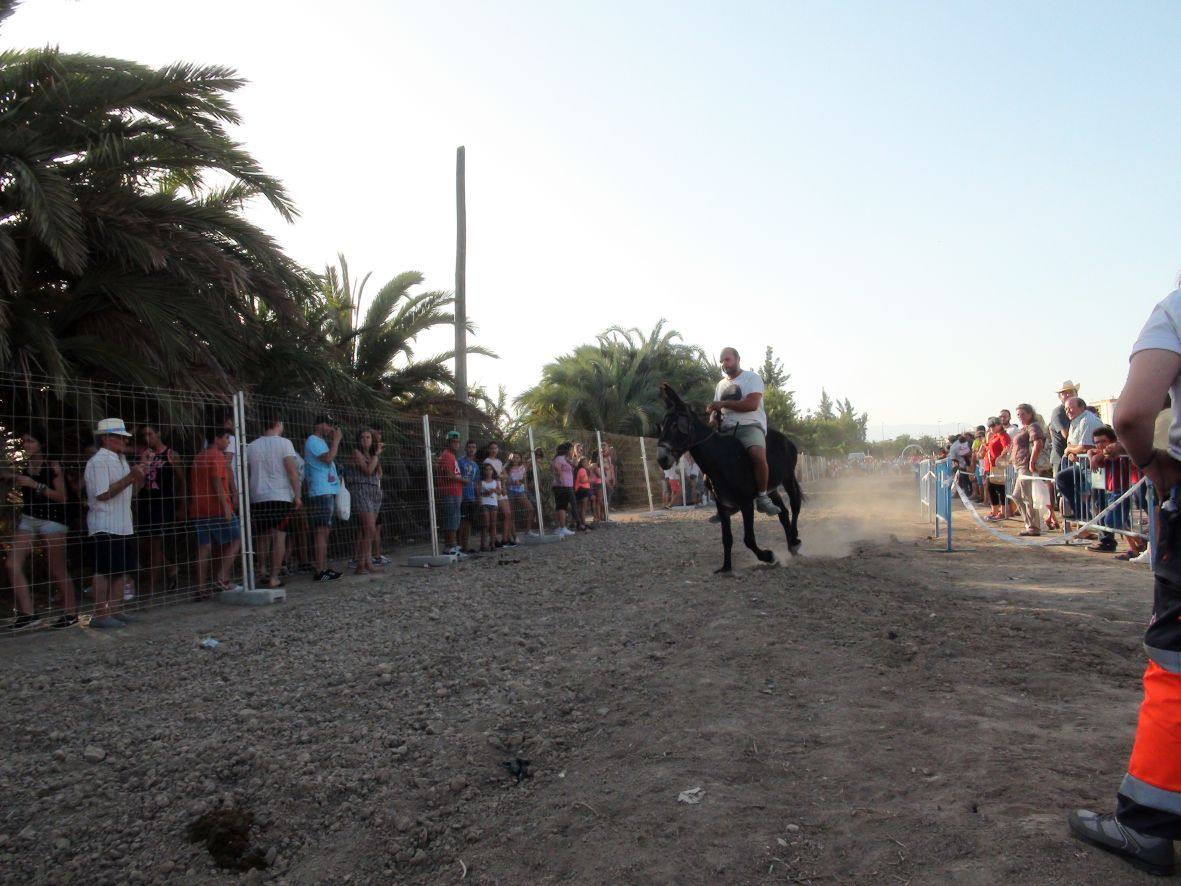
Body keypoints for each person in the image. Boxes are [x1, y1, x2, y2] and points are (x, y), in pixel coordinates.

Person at [1068, 288, 1181, 875]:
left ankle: (1146, 824)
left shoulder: (1176, 307)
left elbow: (1133, 414)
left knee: (1176, 663)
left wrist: (1151, 461)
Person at [3, 430, 77, 629]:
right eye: (24, 441)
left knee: (57, 568)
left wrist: (35, 485)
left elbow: (62, 497)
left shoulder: (52, 465)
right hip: (29, 518)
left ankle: (70, 613)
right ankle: (28, 614)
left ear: (41, 444)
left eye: (30, 441)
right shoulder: (25, 465)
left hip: (52, 519)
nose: (26, 445)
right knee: (12, 564)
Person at [84, 418, 148, 628]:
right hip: (105, 523)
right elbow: (102, 494)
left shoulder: (120, 460)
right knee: (104, 570)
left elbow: (131, 492)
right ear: (105, 439)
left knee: (121, 570)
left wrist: (139, 475)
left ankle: (114, 610)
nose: (122, 441)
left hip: (123, 524)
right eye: (117, 437)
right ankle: (101, 614)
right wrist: (131, 478)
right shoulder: (98, 462)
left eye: (123, 437)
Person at [707, 347, 779, 515]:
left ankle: (762, 497)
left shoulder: (752, 378)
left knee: (756, 455)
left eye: (727, 359)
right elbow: (716, 410)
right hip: (726, 429)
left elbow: (751, 404)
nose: (724, 364)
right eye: (722, 361)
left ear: (738, 359)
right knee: (708, 461)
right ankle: (724, 502)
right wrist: (712, 420)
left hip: (749, 426)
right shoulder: (720, 385)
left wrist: (723, 405)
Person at [246, 413, 301, 589]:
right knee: (279, 537)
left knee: (262, 535)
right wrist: (297, 495)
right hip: (280, 495)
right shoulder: (285, 443)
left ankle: (261, 570)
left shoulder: (251, 446)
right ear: (278, 424)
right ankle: (274, 576)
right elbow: (292, 472)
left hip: (258, 496)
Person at [189, 428, 242, 596]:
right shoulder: (218, 456)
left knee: (204, 547)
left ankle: (201, 587)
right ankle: (222, 577)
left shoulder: (198, 457)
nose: (228, 442)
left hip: (199, 508)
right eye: (226, 438)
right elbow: (216, 481)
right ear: (217, 439)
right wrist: (226, 507)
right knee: (236, 540)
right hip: (217, 508)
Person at [135, 424, 185, 597]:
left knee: (155, 544)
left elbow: (181, 481)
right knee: (144, 543)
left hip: (162, 503)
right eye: (144, 435)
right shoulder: (145, 454)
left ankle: (150, 588)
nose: (147, 437)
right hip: (144, 502)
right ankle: (171, 568)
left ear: (158, 433)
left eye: (150, 434)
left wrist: (181, 507)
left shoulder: (170, 454)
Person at [1089, 425, 1148, 561]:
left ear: (1112, 440)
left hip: (1123, 490)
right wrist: (1091, 454)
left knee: (1112, 521)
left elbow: (1107, 454)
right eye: (1097, 442)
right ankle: (1136, 546)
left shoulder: (1119, 450)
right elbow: (1095, 454)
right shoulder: (1104, 453)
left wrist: (1095, 456)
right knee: (1121, 522)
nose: (1100, 445)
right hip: (1111, 491)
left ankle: (1140, 543)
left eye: (1103, 441)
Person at [1054, 396, 1104, 536]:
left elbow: (1085, 446)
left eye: (1071, 407)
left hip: (1095, 466)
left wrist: (1070, 450)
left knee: (1100, 502)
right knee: (1062, 478)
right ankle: (1082, 515)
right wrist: (1071, 452)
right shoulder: (1075, 422)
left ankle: (1107, 538)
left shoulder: (1087, 420)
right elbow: (1072, 445)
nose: (1068, 411)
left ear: (1081, 407)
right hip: (1082, 465)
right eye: (1066, 408)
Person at [304, 415, 343, 582]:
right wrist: (336, 441)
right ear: (321, 425)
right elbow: (328, 458)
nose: (330, 429)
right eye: (329, 425)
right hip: (321, 491)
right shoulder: (313, 441)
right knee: (321, 531)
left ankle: (323, 567)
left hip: (327, 490)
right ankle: (320, 570)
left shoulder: (320, 442)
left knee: (325, 531)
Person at [347, 428, 384, 575]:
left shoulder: (372, 455)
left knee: (367, 530)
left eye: (368, 437)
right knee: (369, 528)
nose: (365, 440)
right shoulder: (357, 453)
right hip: (361, 490)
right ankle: (361, 563)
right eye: (362, 437)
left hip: (374, 491)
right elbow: (367, 470)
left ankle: (366, 562)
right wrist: (376, 456)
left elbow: (379, 472)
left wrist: (375, 457)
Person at [1010, 404, 1049, 537]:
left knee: (1027, 496)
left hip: (1026, 466)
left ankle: (1034, 526)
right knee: (1016, 496)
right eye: (1018, 415)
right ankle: (1030, 523)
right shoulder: (1025, 428)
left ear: (1030, 414)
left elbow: (1038, 443)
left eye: (1022, 414)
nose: (1020, 417)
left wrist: (1032, 462)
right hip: (1020, 465)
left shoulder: (1033, 426)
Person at [436, 431, 464, 557]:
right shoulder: (447, 455)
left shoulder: (451, 456)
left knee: (454, 518)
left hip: (455, 491)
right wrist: (464, 480)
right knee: (451, 519)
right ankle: (450, 546)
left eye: (457, 441)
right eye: (454, 441)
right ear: (448, 443)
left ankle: (451, 545)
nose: (456, 443)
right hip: (450, 491)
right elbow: (449, 475)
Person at [981, 418, 1011, 521]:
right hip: (991, 466)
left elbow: (1007, 448)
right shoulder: (995, 436)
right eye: (990, 427)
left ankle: (1002, 512)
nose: (991, 428)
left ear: (999, 425)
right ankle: (995, 510)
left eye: (993, 426)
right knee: (991, 488)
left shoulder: (1003, 436)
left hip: (999, 467)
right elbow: (988, 448)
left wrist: (1001, 456)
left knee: (1001, 489)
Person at [1049, 381, 1079, 474]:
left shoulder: (1078, 410)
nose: (1067, 395)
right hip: (1061, 459)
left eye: (1070, 392)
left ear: (1076, 394)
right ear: (1059, 397)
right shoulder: (1059, 412)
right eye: (1064, 393)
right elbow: (1065, 434)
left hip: (1073, 457)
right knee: (1061, 486)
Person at [458, 440, 481, 554]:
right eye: (469, 447)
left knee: (468, 522)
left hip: (471, 497)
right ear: (466, 448)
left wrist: (478, 497)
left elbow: (477, 482)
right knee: (461, 521)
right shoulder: (460, 462)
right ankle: (459, 546)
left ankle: (466, 546)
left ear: (475, 450)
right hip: (461, 495)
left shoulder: (476, 465)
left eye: (474, 447)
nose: (471, 449)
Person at [505, 453, 534, 538]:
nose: (515, 459)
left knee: (531, 509)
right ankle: (514, 536)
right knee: (511, 514)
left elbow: (531, 460)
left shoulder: (523, 467)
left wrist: (525, 489)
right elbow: (504, 479)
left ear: (520, 459)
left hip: (520, 491)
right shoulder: (507, 468)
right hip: (510, 491)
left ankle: (528, 531)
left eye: (517, 457)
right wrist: (512, 481)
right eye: (514, 457)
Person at [551, 443, 576, 538]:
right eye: (571, 449)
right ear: (566, 450)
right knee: (562, 507)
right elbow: (556, 469)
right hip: (562, 486)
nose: (572, 451)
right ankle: (562, 527)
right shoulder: (560, 459)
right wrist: (560, 480)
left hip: (563, 485)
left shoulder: (565, 459)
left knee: (560, 506)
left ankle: (560, 527)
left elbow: (574, 465)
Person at [477, 462, 500, 552]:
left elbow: (499, 492)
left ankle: (493, 543)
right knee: (486, 524)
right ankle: (483, 544)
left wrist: (494, 490)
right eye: (486, 469)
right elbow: (478, 494)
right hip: (485, 503)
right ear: (484, 471)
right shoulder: (481, 482)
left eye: (490, 469)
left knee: (493, 524)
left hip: (494, 504)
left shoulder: (495, 482)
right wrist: (485, 493)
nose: (488, 471)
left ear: (492, 471)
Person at [574, 457, 593, 530]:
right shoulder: (582, 470)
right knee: (583, 508)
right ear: (581, 463)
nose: (587, 463)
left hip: (581, 489)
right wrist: (590, 480)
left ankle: (580, 523)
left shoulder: (582, 470)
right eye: (585, 462)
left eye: (587, 462)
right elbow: (582, 480)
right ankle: (583, 523)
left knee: (581, 507)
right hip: (582, 490)